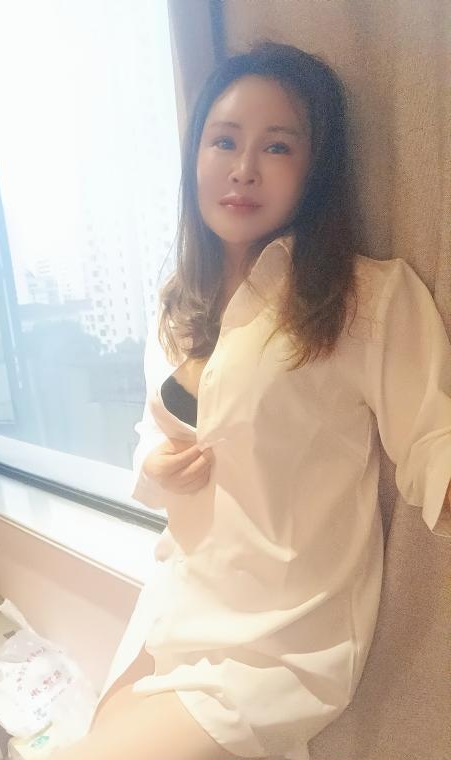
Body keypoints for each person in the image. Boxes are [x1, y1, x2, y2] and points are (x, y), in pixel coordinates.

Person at [49, 39, 451, 760]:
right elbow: (154, 432)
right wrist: (156, 464)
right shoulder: (177, 304)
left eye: (277, 147)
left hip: (278, 645)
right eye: (225, 140)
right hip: (177, 598)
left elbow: (433, 439)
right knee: (95, 731)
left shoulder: (364, 300)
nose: (243, 168)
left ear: (315, 169)